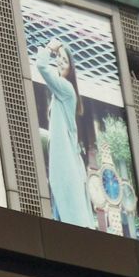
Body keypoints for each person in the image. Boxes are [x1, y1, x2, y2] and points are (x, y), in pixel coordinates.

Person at [35, 38, 95, 228]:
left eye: (65, 60)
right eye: (59, 58)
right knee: (64, 209)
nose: (60, 62)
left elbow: (42, 67)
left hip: (66, 164)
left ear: (71, 68)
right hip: (64, 162)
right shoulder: (63, 92)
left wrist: (49, 49)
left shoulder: (66, 88)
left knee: (69, 212)